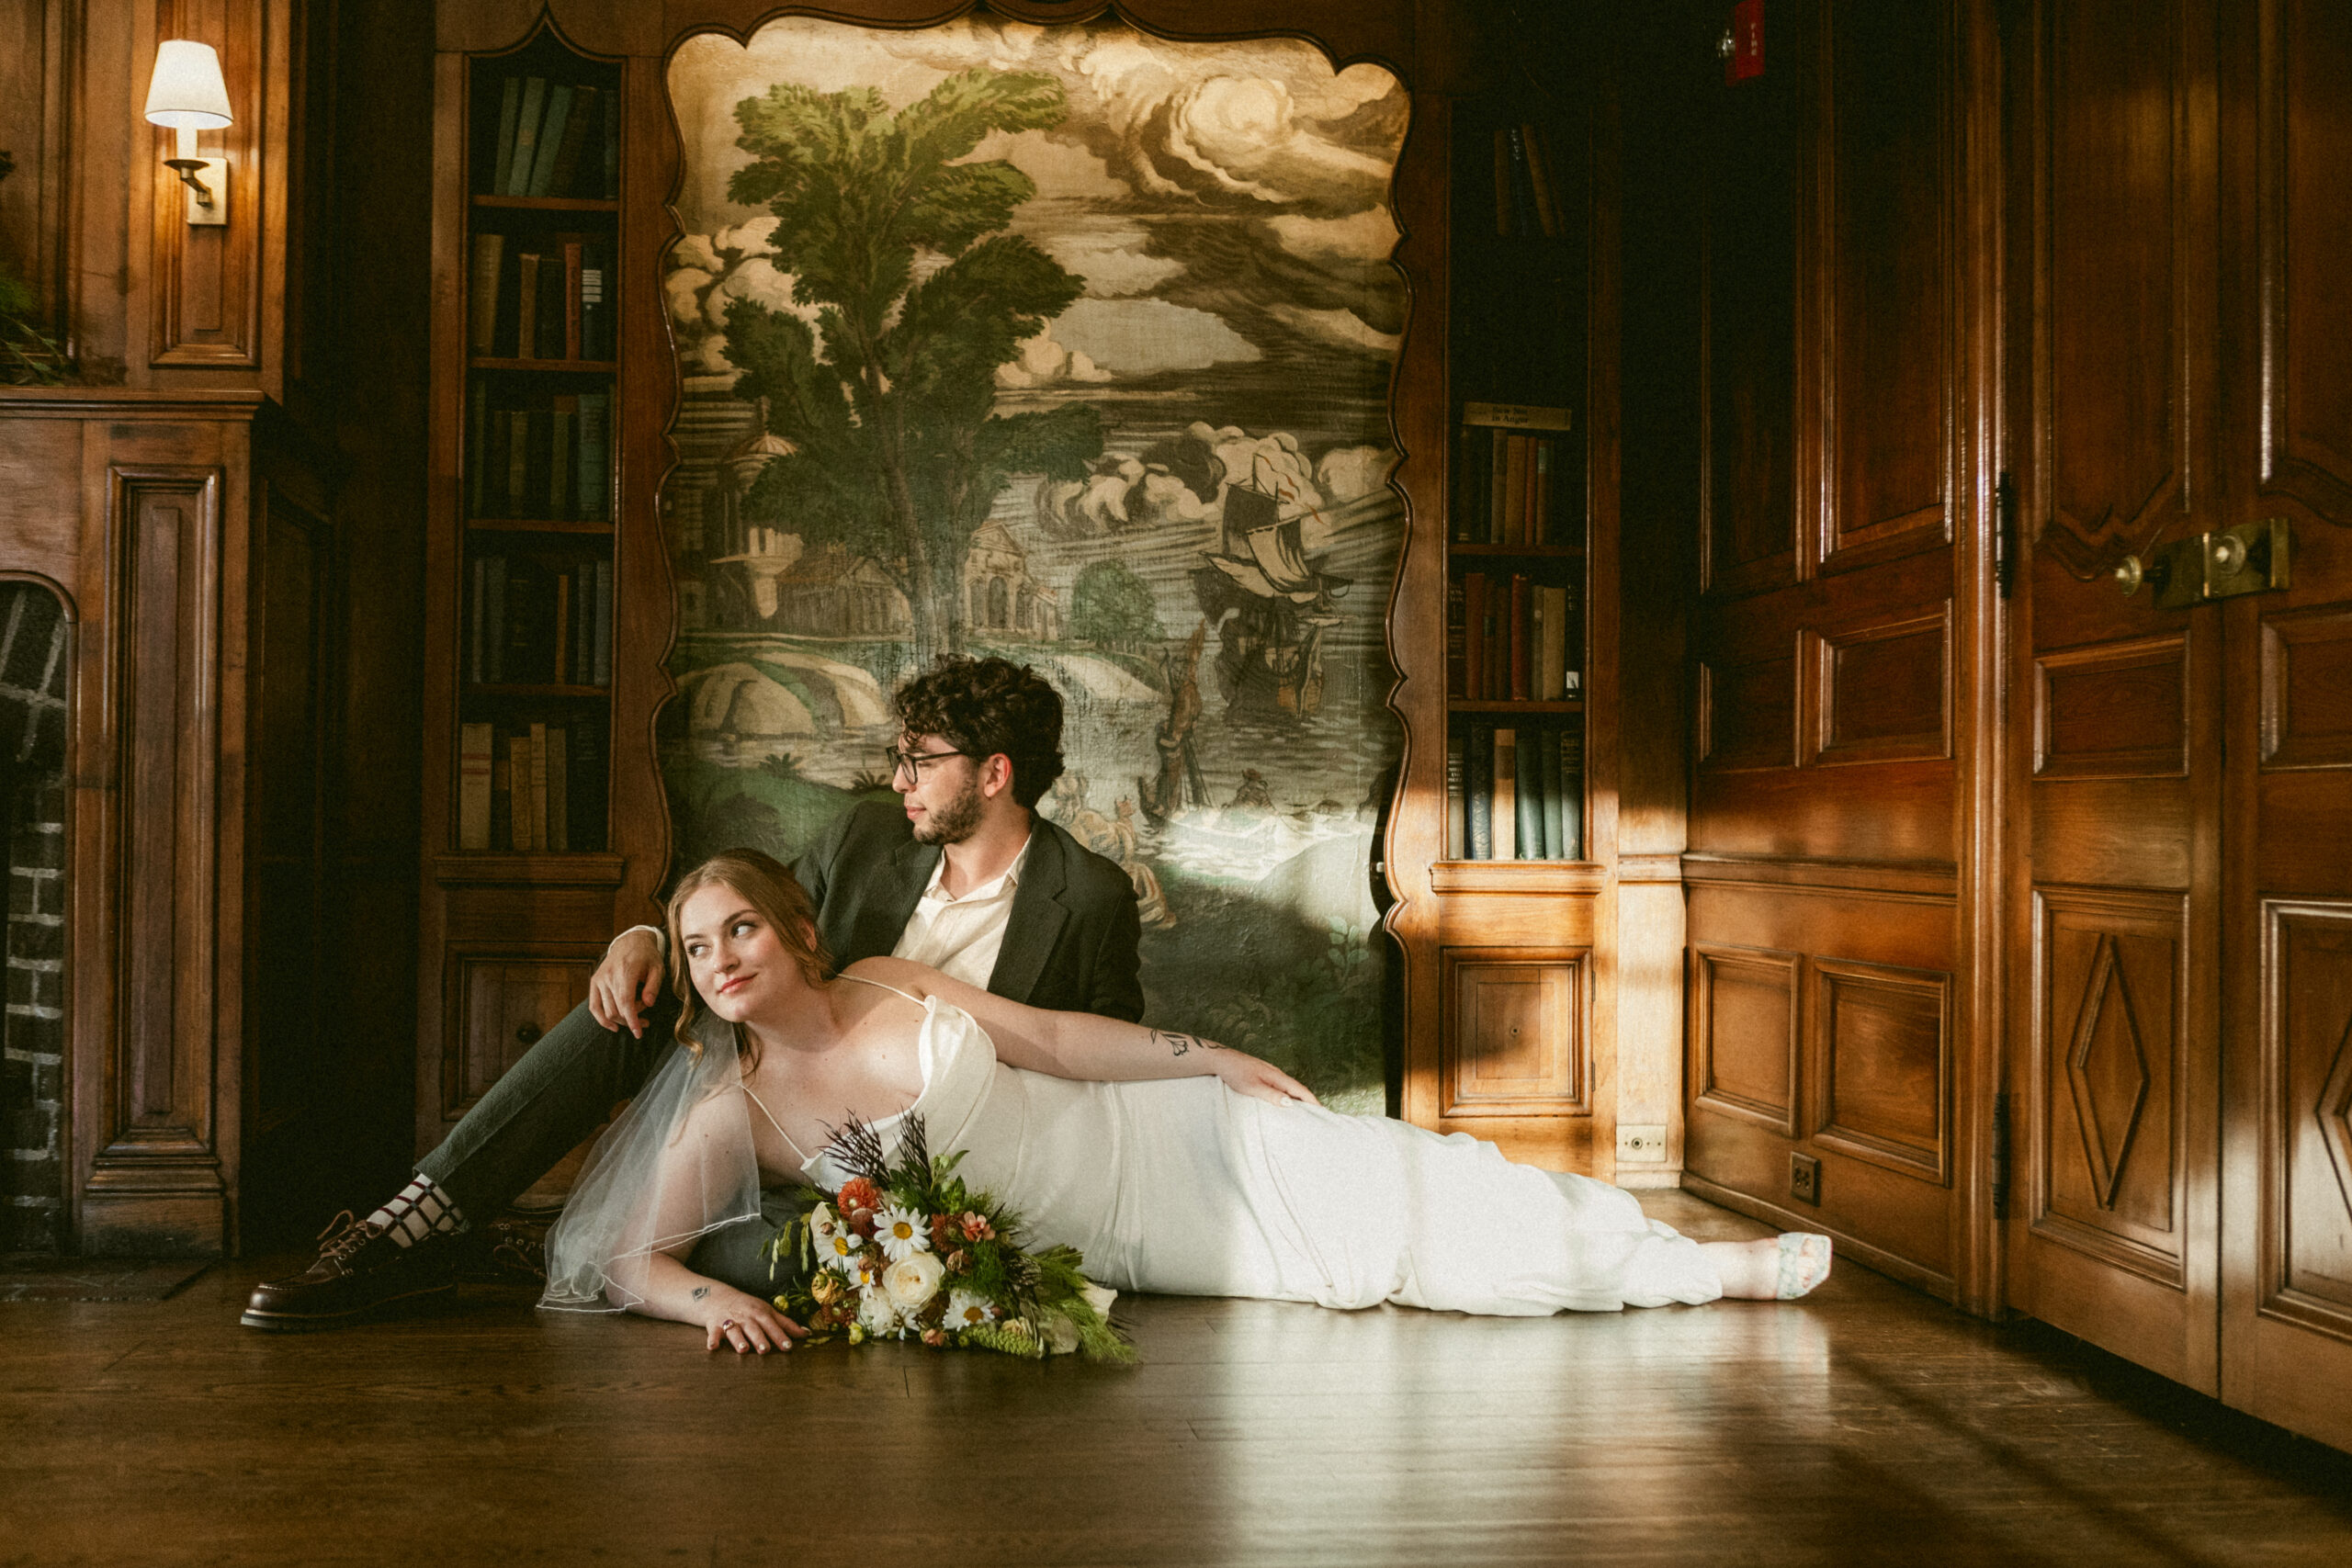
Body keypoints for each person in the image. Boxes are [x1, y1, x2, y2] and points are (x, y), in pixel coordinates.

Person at [542, 849, 1834, 1351]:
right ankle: (1658, 1270)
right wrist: (720, 1300)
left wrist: (1203, 1055)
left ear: (798, 929)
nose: (720, 957)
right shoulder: (741, 1110)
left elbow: (1048, 1037)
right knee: (1377, 1269)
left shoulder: (887, 976)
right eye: (699, 946)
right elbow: (626, 1253)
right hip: (1125, 1238)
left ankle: (1694, 1266)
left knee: (1417, 1175)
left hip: (1172, 1130)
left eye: (742, 927)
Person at [242, 658, 1144, 1331]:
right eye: (898, 760)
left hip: (889, 1168)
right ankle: (409, 1225)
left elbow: (1092, 1065)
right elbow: (745, 928)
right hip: (769, 1080)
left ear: (994, 774)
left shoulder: (1089, 897)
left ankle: (577, 1243)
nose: (898, 780)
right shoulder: (866, 840)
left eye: (922, 762)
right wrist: (643, 937)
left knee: (834, 1262)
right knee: (628, 1004)